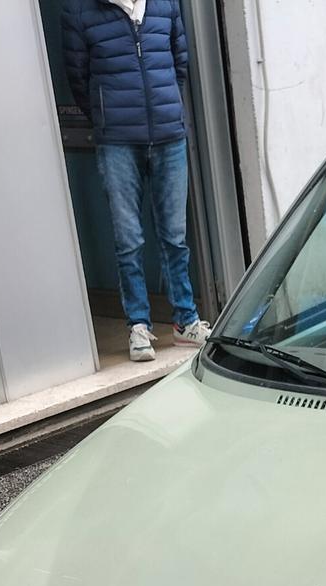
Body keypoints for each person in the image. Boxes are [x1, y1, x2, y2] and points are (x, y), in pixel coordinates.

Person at [62, 0, 210, 361]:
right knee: (128, 239)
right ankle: (139, 326)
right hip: (116, 140)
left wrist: (166, 107)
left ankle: (185, 322)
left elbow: (180, 61)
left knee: (175, 236)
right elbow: (77, 77)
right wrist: (106, 116)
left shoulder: (164, 4)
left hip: (168, 134)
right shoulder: (80, 10)